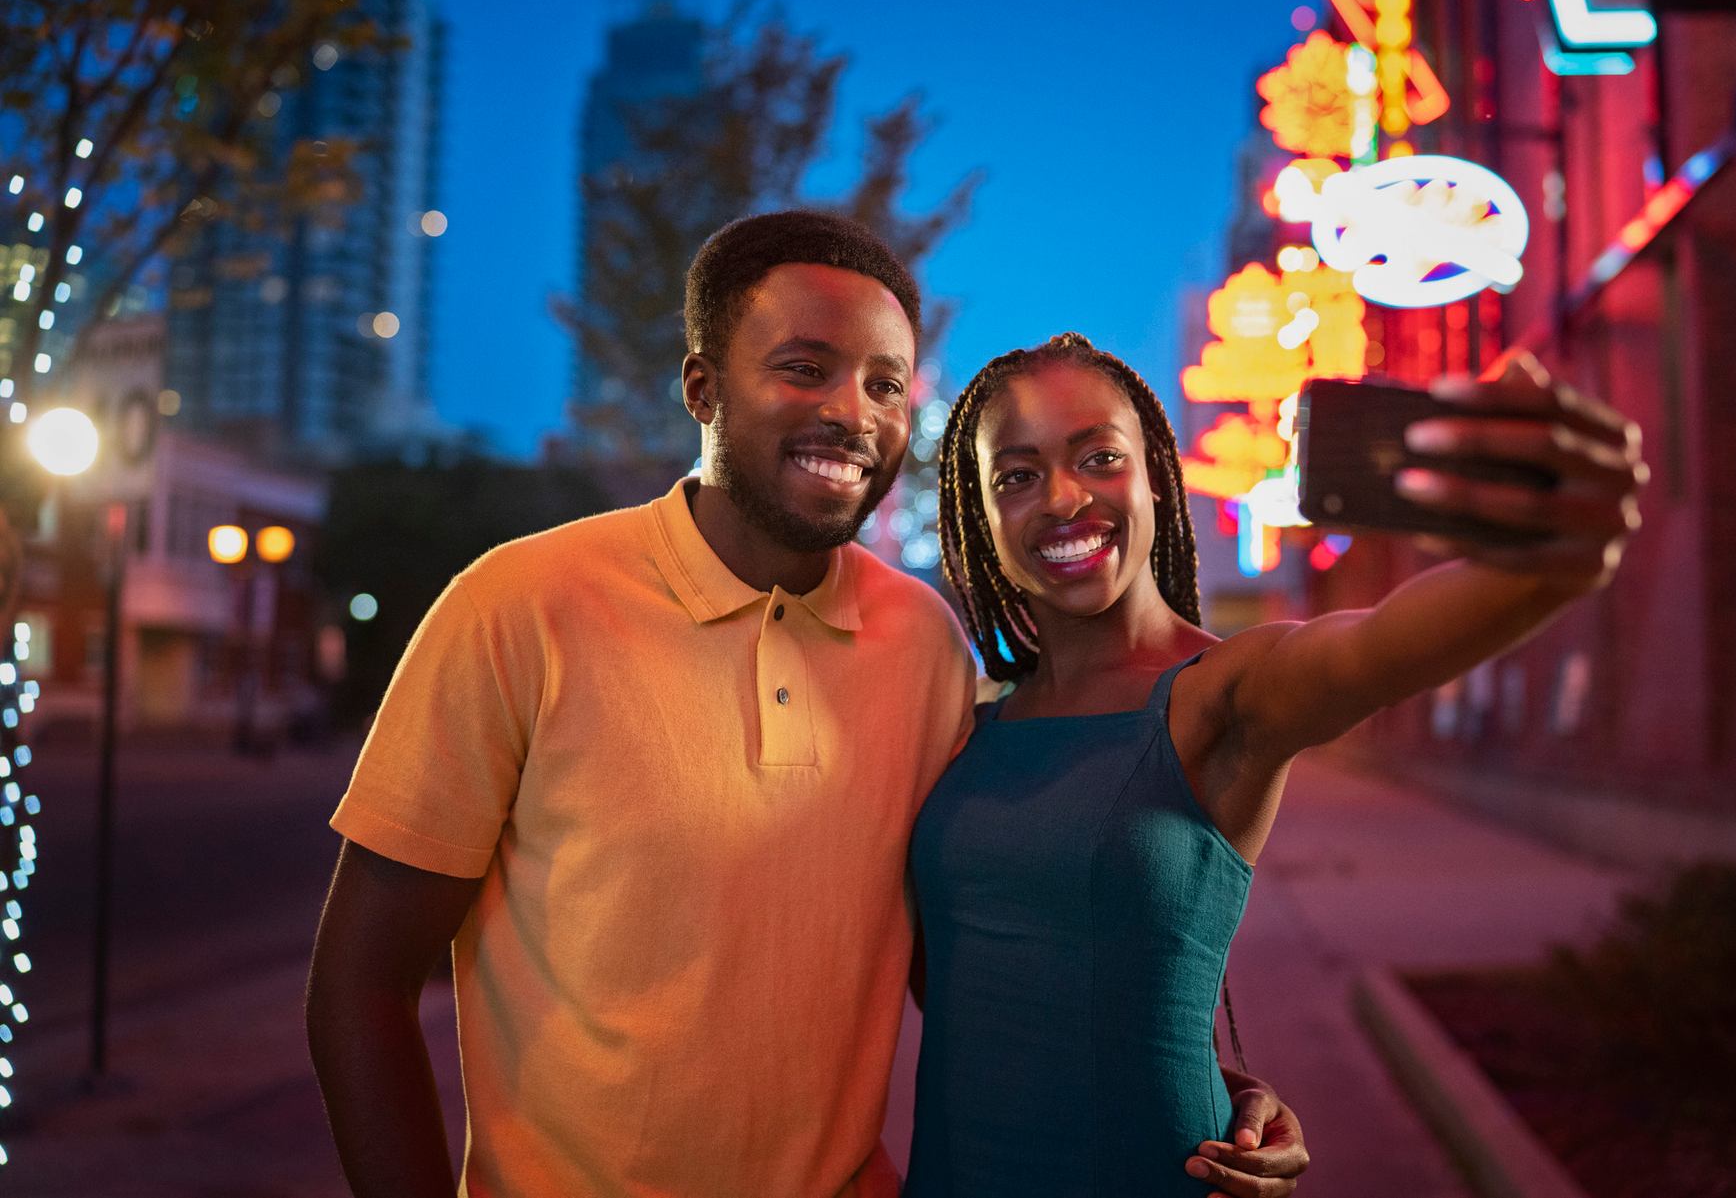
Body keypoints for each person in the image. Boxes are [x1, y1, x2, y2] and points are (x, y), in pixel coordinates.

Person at [306, 213, 1304, 1197]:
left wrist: (1194, 1085)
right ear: (702, 386)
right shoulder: (518, 607)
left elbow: (979, 959)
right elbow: (361, 984)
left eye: (883, 384)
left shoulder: (923, 647)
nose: (851, 412)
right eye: (803, 367)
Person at [906, 332, 1646, 1196]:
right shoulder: (971, 721)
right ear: (981, 516)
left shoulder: (1227, 691)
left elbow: (1372, 649)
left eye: (1098, 456)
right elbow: (975, 983)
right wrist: (1217, 1079)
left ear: (1155, 476)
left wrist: (1555, 551)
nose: (1063, 498)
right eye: (1017, 475)